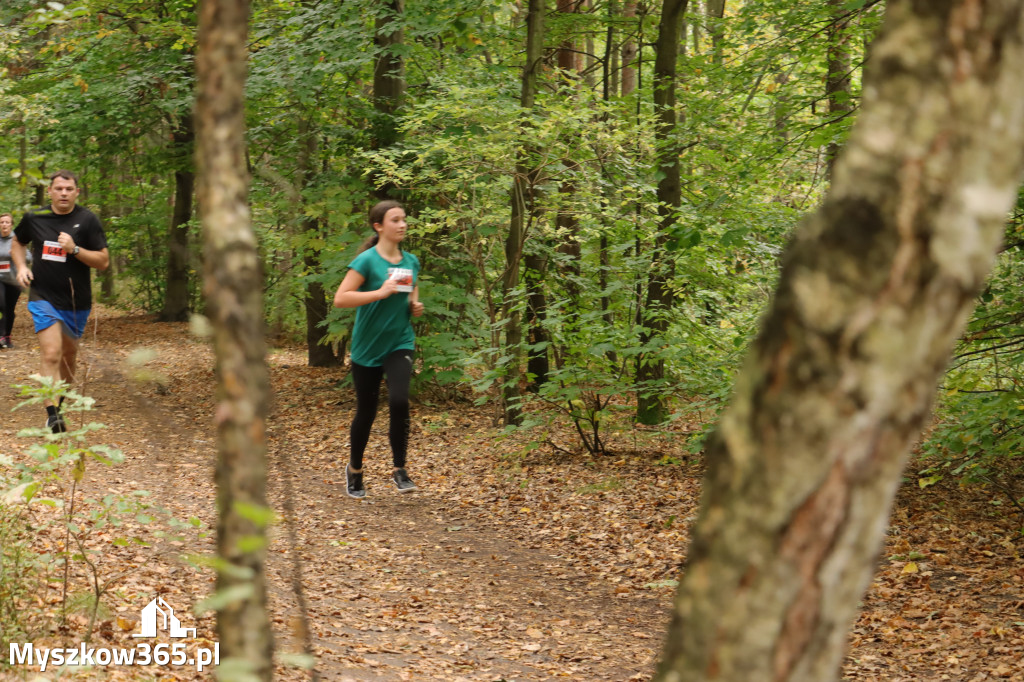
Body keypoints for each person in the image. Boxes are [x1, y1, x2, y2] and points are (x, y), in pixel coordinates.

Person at [333, 200, 424, 498]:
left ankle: (400, 470)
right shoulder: (367, 262)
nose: (402, 225)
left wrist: (415, 306)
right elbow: (341, 298)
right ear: (378, 226)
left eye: (404, 219)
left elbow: (412, 293)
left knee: (399, 401)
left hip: (399, 342)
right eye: (395, 220)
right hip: (367, 346)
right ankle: (355, 470)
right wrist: (380, 293)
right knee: (367, 411)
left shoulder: (410, 261)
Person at [11, 170, 110, 433]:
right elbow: (17, 243)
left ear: (77, 192)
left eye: (69, 189)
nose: (63, 193)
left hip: (77, 301)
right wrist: (21, 267)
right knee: (51, 353)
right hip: (43, 296)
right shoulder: (35, 217)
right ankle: (52, 414)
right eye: (58, 189)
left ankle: (61, 405)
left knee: (68, 357)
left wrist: (75, 249)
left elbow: (103, 262)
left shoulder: (88, 220)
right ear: (51, 191)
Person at [0, 212, 31, 349]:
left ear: (11, 225)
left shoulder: (17, 241)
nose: (4, 225)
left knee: (9, 309)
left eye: (7, 222)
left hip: (13, 280)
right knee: (0, 305)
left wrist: (16, 255)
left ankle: (7, 336)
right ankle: (0, 335)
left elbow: (29, 258)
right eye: (2, 222)